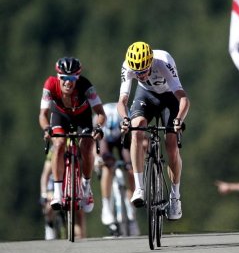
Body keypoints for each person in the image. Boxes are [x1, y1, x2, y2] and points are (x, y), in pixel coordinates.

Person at [117, 41, 190, 220]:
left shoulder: (163, 61)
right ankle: (139, 187)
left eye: (144, 71)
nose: (140, 75)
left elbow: (183, 99)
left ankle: (175, 197)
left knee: (171, 145)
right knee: (137, 129)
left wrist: (179, 120)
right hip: (146, 96)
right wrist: (125, 119)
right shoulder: (128, 66)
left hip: (169, 98)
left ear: (150, 63)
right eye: (137, 72)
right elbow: (122, 101)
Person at [39, 57, 106, 214]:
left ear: (78, 78)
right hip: (60, 116)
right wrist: (46, 128)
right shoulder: (50, 85)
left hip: (82, 117)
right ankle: (57, 192)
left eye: (72, 78)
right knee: (59, 143)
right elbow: (43, 114)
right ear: (58, 77)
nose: (68, 82)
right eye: (64, 78)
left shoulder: (86, 86)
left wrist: (98, 127)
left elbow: (100, 113)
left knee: (87, 144)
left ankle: (86, 187)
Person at [94, 102, 139, 235]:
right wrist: (97, 159)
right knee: (107, 166)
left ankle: (131, 208)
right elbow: (94, 145)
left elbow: (135, 141)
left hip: (123, 139)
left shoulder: (126, 119)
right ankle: (106, 206)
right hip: (104, 139)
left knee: (131, 168)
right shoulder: (98, 121)